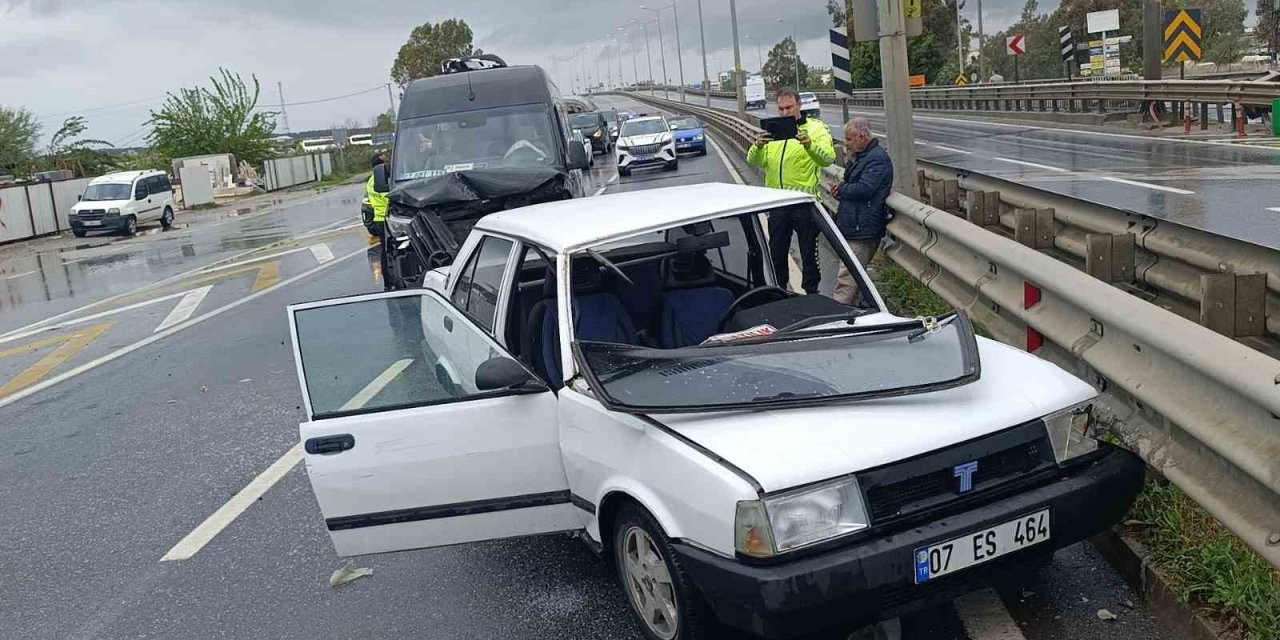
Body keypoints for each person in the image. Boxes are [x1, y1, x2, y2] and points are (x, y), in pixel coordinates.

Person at [747, 89, 836, 295]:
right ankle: (780, 291)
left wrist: (809, 145)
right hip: (777, 203)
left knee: (808, 255)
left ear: (799, 106)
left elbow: (828, 158)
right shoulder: (774, 131)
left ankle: (812, 293)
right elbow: (754, 161)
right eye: (781, 108)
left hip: (804, 203)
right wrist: (758, 146)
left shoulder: (816, 129)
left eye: (789, 107)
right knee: (777, 253)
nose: (785, 112)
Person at [828, 117, 894, 305]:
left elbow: (865, 188)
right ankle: (851, 316)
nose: (846, 143)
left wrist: (842, 189)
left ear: (862, 136)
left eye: (849, 139)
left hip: (863, 227)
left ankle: (838, 316)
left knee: (847, 278)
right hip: (856, 224)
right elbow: (854, 185)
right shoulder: (862, 157)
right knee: (853, 277)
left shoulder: (877, 160)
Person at [364, 152, 390, 236]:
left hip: (379, 219)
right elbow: (389, 197)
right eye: (386, 161)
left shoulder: (371, 179)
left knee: (386, 248)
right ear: (380, 167)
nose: (389, 163)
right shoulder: (382, 180)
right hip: (386, 218)